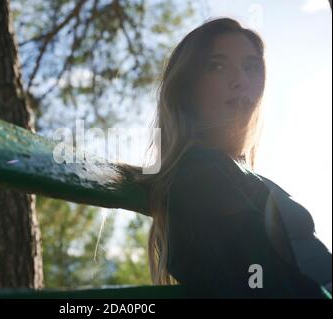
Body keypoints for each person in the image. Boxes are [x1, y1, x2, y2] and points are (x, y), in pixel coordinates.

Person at [139, 17, 331, 298]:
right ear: (187, 88)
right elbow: (262, 285)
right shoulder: (199, 172)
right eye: (217, 66)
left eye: (251, 67)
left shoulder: (236, 174)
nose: (241, 80)